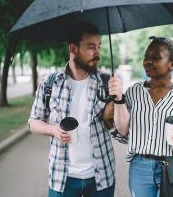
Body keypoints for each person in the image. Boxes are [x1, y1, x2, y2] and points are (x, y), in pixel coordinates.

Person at [28, 23, 119, 197]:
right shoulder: (50, 83)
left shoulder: (108, 83)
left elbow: (122, 132)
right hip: (62, 178)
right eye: (91, 47)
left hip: (101, 176)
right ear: (73, 48)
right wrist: (53, 129)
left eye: (98, 47)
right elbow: (33, 122)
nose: (97, 54)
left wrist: (115, 109)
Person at [108, 36, 173, 197]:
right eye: (146, 57)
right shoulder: (133, 93)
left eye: (155, 58)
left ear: (172, 64)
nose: (147, 61)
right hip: (140, 167)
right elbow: (126, 135)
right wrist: (109, 123)